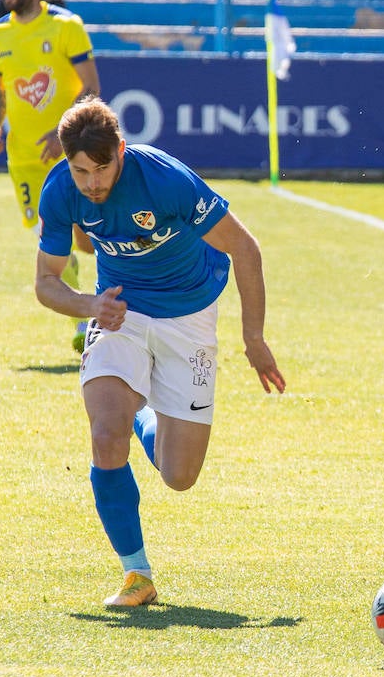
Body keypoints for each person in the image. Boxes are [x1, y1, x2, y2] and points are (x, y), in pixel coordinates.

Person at [35, 96, 286, 607]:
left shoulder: (165, 179)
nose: (93, 183)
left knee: (179, 476)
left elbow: (245, 248)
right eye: (82, 171)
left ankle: (144, 410)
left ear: (121, 152)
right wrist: (90, 305)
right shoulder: (61, 192)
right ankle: (137, 575)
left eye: (102, 169)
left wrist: (254, 339)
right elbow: (45, 282)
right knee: (106, 435)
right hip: (118, 310)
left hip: (190, 312)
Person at [0, 0, 101, 351]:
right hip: (24, 159)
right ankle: (85, 323)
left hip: (70, 156)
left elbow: (90, 87)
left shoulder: (68, 28)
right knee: (52, 239)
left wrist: (62, 132)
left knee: (86, 241)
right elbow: (1, 89)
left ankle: (113, 298)